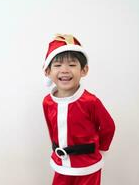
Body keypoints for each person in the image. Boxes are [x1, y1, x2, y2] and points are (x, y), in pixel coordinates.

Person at [42, 34, 115, 185]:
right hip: (61, 165)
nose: (65, 70)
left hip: (87, 166)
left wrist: (99, 150)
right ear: (47, 71)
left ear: (84, 70)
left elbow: (109, 127)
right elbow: (52, 130)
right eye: (57, 65)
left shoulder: (90, 102)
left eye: (72, 64)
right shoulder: (48, 102)